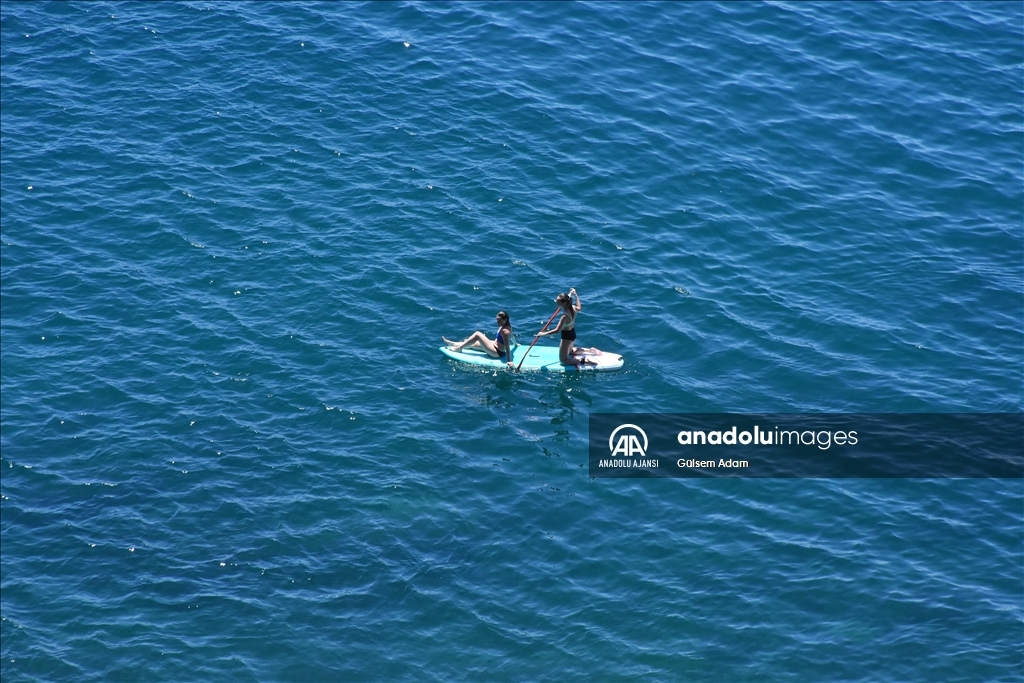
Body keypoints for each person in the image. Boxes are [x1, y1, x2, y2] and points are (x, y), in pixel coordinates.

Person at [538, 288, 596, 367]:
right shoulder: (573, 308)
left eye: (558, 302)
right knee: (571, 351)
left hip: (566, 337)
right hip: (572, 333)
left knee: (563, 361)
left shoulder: (564, 316)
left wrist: (543, 334)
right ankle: (590, 351)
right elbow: (580, 308)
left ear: (564, 303)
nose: (556, 303)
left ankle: (584, 360)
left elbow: (557, 330)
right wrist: (575, 295)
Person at [443, 311, 514, 367]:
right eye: (497, 320)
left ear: (505, 319)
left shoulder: (505, 331)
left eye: (499, 321)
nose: (497, 323)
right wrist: (515, 344)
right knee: (471, 343)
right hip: (494, 345)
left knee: (477, 334)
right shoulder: (507, 326)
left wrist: (509, 360)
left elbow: (507, 346)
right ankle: (453, 343)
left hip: (497, 352)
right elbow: (512, 336)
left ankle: (459, 348)